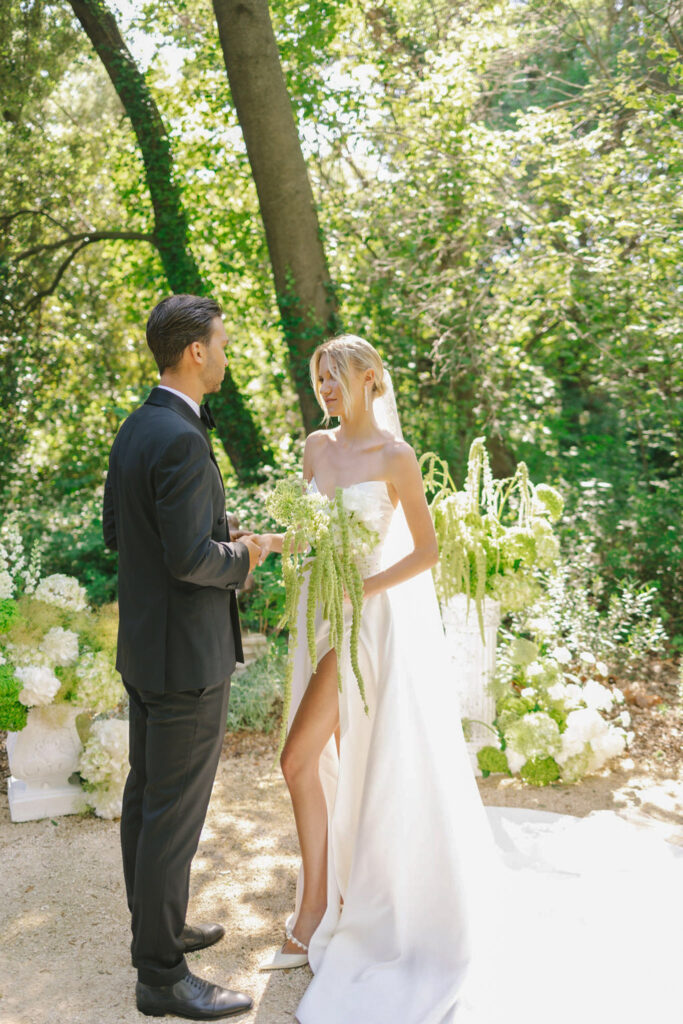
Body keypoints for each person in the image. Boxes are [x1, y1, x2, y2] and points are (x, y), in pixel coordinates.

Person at [259, 334, 682, 1024]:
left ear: (371, 379)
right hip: (317, 616)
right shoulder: (315, 448)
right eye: (318, 378)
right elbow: (307, 534)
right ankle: (325, 896)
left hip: (365, 627)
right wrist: (269, 543)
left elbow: (424, 551)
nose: (325, 389)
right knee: (311, 760)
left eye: (335, 376)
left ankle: (323, 907)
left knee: (297, 758)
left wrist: (364, 590)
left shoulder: (394, 459)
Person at [103, 294, 264, 1021]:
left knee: (147, 802)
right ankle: (161, 976)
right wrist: (244, 553)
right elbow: (191, 560)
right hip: (186, 661)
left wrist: (213, 528)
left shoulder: (139, 427)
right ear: (194, 351)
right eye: (221, 343)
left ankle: (159, 931)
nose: (225, 353)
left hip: (145, 649)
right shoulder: (181, 437)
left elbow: (122, 530)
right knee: (172, 815)